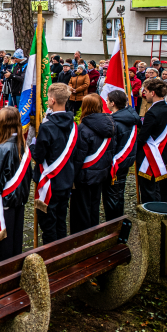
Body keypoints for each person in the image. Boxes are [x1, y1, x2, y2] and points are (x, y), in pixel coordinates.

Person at [31, 83, 78, 244]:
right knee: (60, 221)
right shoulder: (74, 125)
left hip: (49, 183)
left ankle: (51, 256)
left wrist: (32, 145)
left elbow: (39, 156)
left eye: (48, 99)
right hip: (66, 180)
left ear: (52, 101)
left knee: (48, 225)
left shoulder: (47, 127)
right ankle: (62, 252)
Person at [0, 106, 32, 261]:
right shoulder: (24, 146)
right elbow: (28, 176)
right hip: (19, 201)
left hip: (5, 203)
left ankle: (5, 272)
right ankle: (15, 269)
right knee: (17, 239)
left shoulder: (1, 149)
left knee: (5, 241)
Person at [71, 94, 115, 234]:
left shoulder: (83, 128)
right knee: (94, 208)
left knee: (81, 213)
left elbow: (79, 157)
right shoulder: (110, 124)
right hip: (100, 174)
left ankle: (82, 240)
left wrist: (72, 177)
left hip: (84, 176)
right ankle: (93, 235)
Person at [102, 89, 140, 221]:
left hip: (116, 163)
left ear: (113, 103)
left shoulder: (115, 122)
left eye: (107, 100)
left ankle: (114, 224)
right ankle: (117, 220)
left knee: (112, 196)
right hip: (125, 161)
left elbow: (112, 146)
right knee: (118, 193)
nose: (106, 102)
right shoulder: (129, 117)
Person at [136, 78, 167, 203]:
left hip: (149, 155)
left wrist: (133, 146)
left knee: (147, 188)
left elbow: (143, 136)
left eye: (145, 91)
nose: (144, 94)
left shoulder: (152, 112)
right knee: (155, 187)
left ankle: (149, 210)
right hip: (162, 151)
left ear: (153, 93)